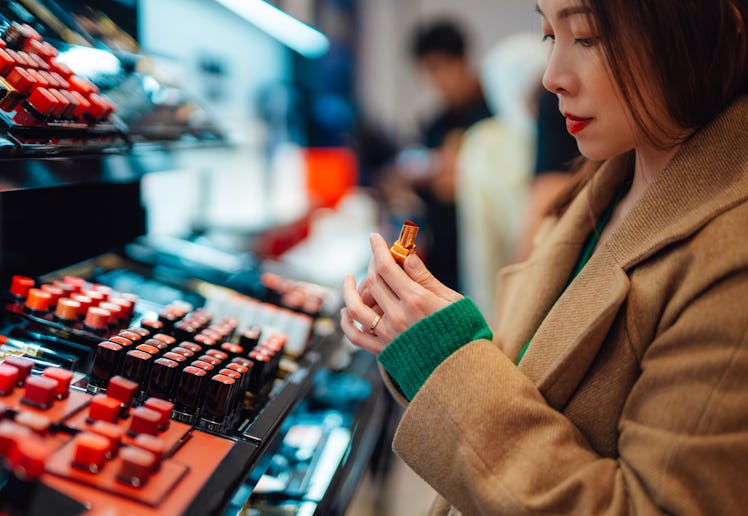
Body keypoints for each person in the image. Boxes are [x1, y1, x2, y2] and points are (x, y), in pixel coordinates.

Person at [341, 0, 748, 513]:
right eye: (548, 36)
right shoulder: (603, 185)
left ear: (711, 29)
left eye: (589, 36)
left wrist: (444, 361)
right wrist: (422, 337)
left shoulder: (732, 254)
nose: (552, 77)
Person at [391, 19, 492, 291]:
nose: (435, 81)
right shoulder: (434, 124)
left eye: (439, 68)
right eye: (427, 72)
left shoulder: (493, 115)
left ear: (462, 61)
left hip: (484, 249)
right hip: (443, 252)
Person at [455, 32, 547, 317]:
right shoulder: (486, 144)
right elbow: (482, 250)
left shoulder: (582, 141)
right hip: (507, 303)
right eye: (536, 92)